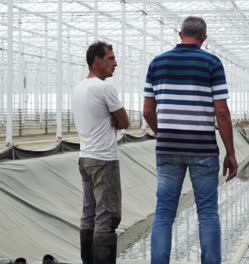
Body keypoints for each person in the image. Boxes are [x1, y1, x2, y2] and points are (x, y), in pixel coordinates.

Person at [143, 16, 238, 264]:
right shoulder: (211, 63)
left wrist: (161, 132)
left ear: (179, 33)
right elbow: (222, 113)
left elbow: (147, 111)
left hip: (167, 148)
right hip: (203, 149)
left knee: (164, 213)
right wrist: (230, 152)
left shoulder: (158, 63)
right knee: (207, 213)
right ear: (203, 38)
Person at [72, 41, 129, 264]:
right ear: (97, 59)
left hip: (85, 157)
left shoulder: (79, 88)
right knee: (108, 217)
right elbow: (124, 121)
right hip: (104, 159)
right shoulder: (103, 88)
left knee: (89, 215)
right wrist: (112, 119)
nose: (115, 63)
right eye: (111, 58)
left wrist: (110, 118)